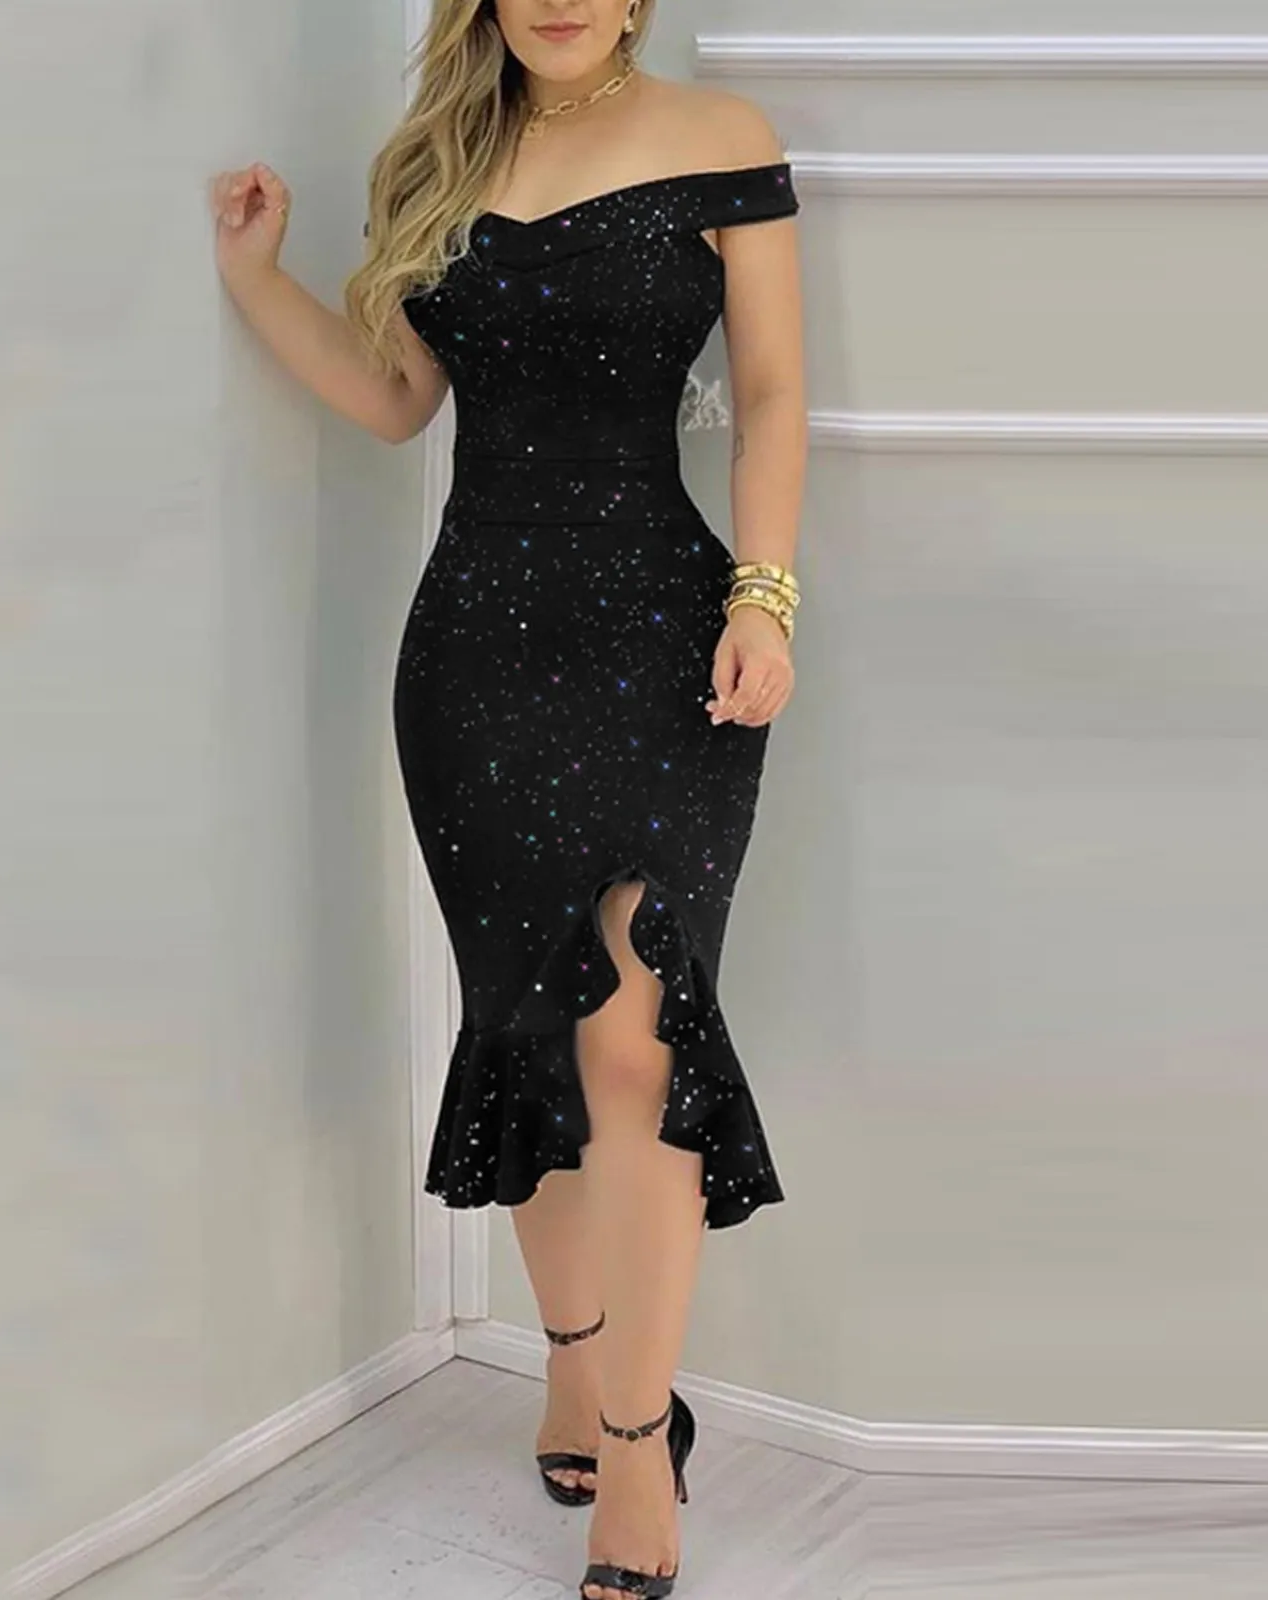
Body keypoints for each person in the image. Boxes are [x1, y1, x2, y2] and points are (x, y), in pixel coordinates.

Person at [210, 2, 805, 1594]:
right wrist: (257, 280)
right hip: (476, 652)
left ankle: (638, 1443)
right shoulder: (435, 157)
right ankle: (577, 1361)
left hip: (667, 635)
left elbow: (772, 391)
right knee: (531, 1025)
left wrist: (765, 599)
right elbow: (400, 399)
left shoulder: (721, 137)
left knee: (642, 1030)